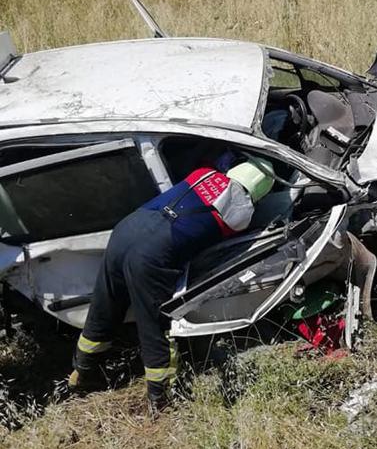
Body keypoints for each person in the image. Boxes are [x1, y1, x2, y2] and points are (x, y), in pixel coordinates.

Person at [68, 154, 275, 411]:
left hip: (127, 229)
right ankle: (161, 397)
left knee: (105, 305)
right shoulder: (242, 214)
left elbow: (220, 162)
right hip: (153, 255)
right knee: (153, 324)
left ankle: (82, 373)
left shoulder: (204, 173)